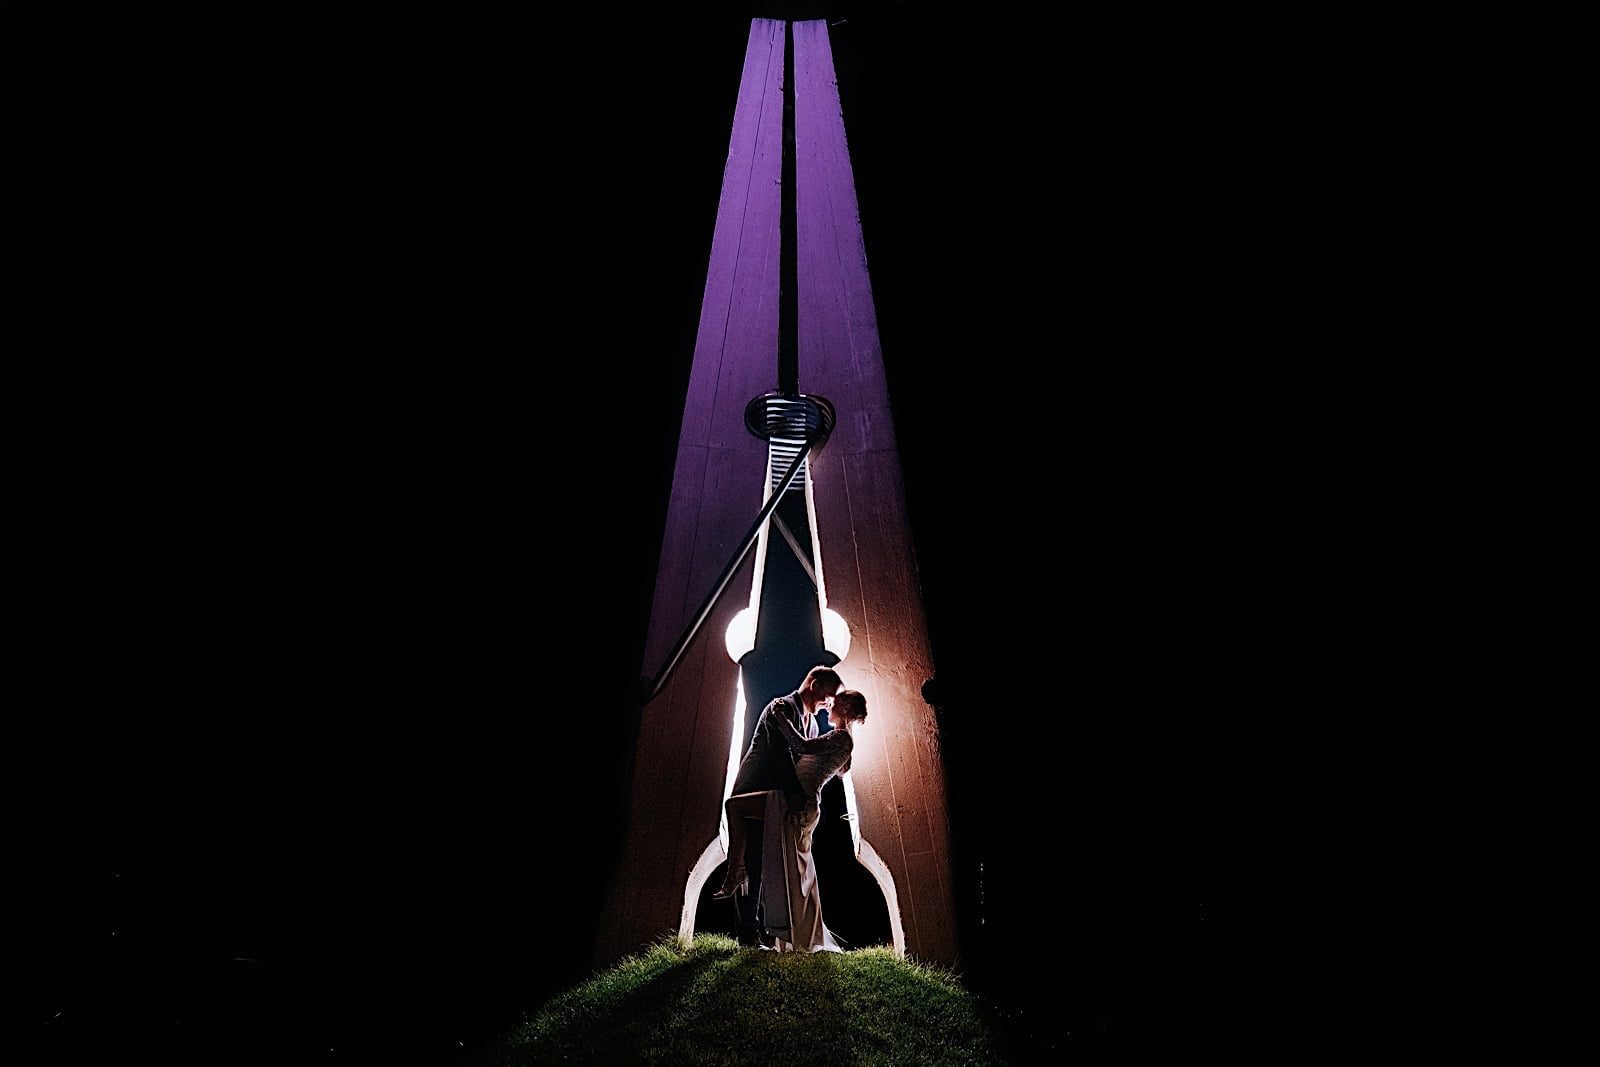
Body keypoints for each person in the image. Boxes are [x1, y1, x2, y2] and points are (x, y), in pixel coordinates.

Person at [716, 687, 867, 953]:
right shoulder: (840, 740)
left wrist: (780, 718)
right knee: (792, 874)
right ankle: (780, 927)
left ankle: (737, 872)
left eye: (834, 702)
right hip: (797, 803)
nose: (828, 705)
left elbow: (801, 746)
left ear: (844, 709)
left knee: (735, 806)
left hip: (796, 804)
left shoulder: (842, 739)